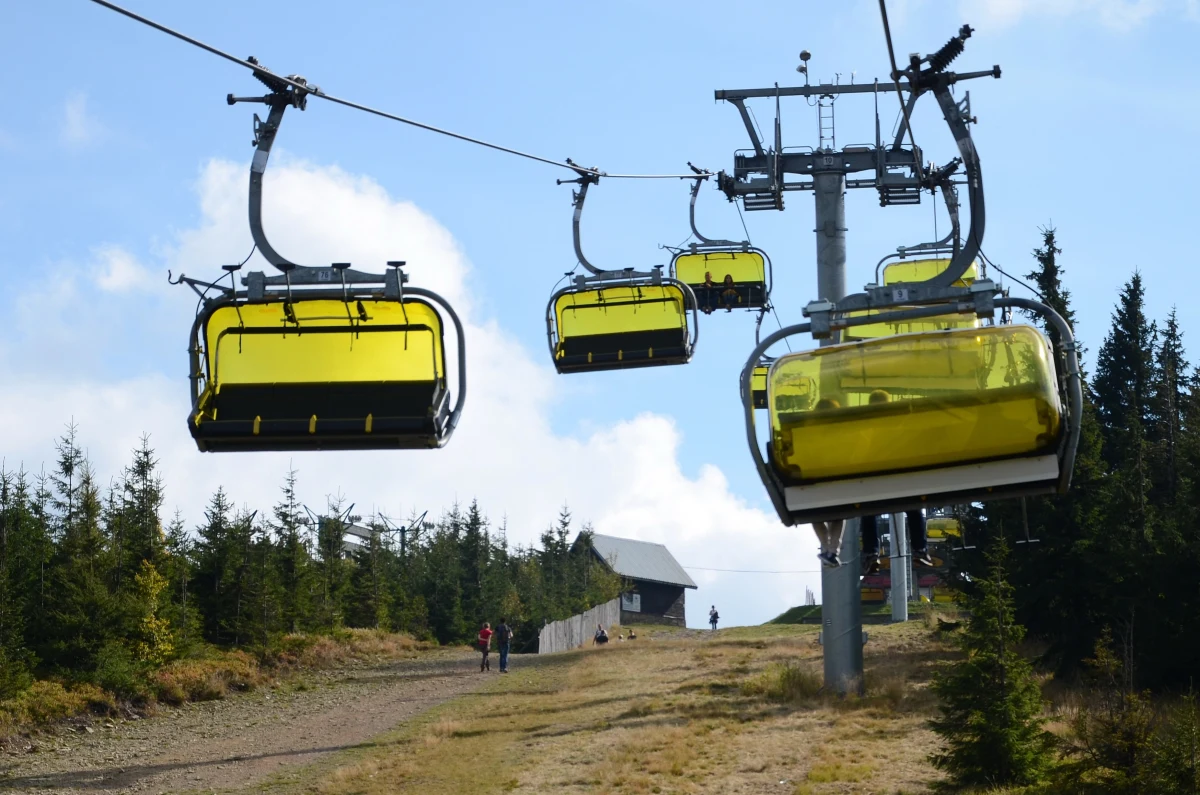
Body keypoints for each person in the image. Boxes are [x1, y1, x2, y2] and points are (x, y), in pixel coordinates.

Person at [810, 397, 846, 567]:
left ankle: (827, 548)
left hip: (815, 479)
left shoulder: (811, 431)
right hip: (836, 477)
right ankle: (831, 550)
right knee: (839, 515)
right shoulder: (840, 431)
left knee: (816, 515)